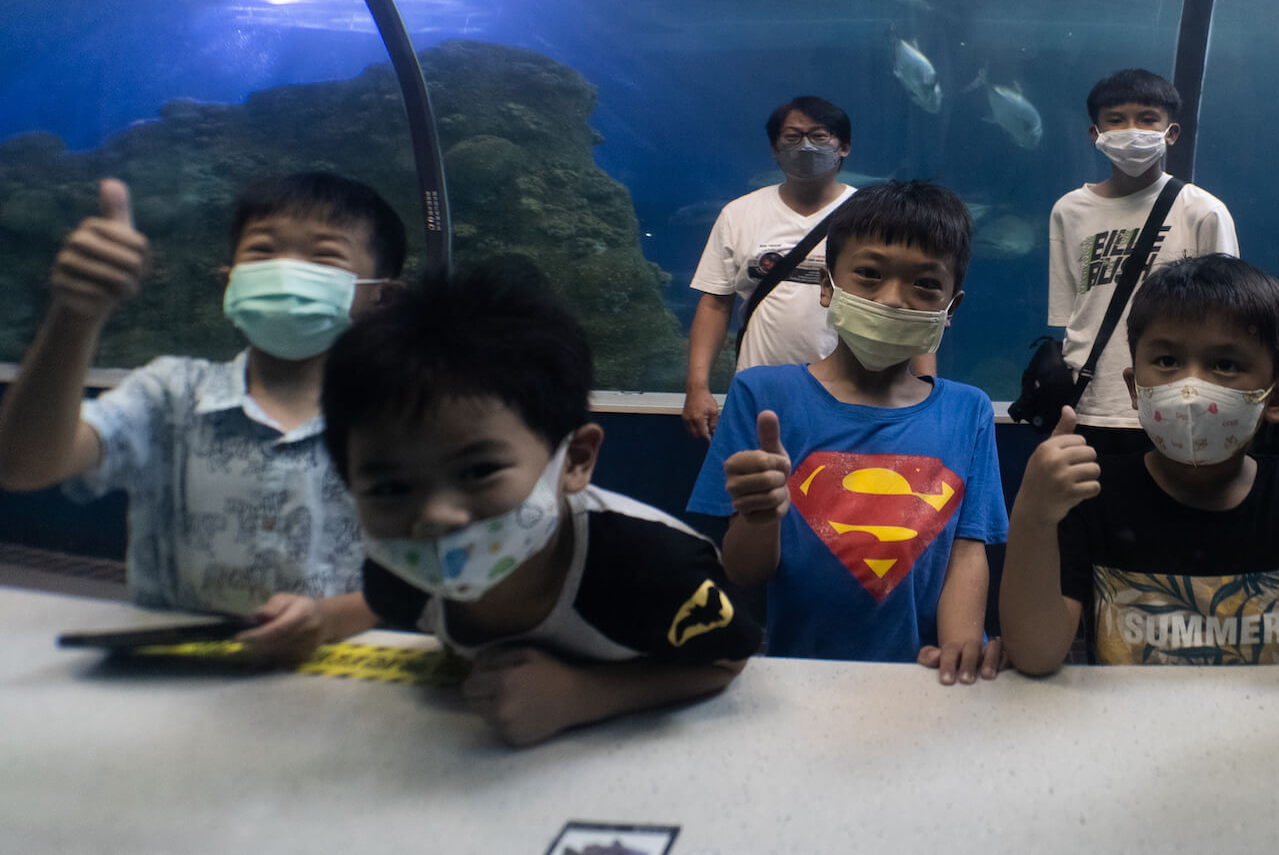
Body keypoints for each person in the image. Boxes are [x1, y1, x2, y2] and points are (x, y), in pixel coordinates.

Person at [323, 258, 761, 747]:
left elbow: (727, 659)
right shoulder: (397, 571)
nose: (434, 518)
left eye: (477, 471)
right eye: (388, 489)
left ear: (575, 459)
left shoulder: (655, 566)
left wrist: (583, 695)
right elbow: (383, 605)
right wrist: (320, 618)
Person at [0, 172, 405, 662]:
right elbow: (23, 465)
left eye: (323, 255)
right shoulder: (169, 394)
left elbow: (429, 571)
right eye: (262, 251)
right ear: (227, 280)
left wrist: (330, 618)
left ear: (381, 297)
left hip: (342, 680)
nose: (284, 269)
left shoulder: (402, 419)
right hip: (173, 675)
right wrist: (76, 314)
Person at [999, 254, 1279, 679]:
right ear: (1136, 389)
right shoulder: (1094, 495)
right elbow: (1036, 654)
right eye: (1168, 361)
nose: (1191, 387)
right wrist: (1033, 514)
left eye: (1225, 364)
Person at [688, 181, 1008, 683]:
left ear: (952, 307)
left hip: (927, 680)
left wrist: (959, 651)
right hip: (805, 678)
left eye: (925, 284)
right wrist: (758, 515)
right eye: (869, 275)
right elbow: (746, 571)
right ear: (826, 285)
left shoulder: (969, 411)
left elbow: (968, 550)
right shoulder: (762, 397)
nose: (893, 300)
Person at [1047, 68, 1239, 457]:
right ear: (1094, 134)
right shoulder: (1069, 210)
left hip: (1177, 400)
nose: (1131, 130)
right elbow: (1068, 313)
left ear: (1171, 133)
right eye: (1115, 120)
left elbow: (1228, 315)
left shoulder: (1203, 210)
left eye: (1147, 119)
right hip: (1091, 400)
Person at [686, 97, 871, 443]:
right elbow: (715, 304)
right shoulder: (739, 214)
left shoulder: (875, 216)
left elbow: (908, 306)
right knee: (753, 492)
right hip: (757, 395)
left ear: (843, 146)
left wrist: (924, 389)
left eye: (820, 135)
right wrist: (697, 387)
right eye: (792, 136)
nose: (806, 146)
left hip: (854, 397)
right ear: (774, 147)